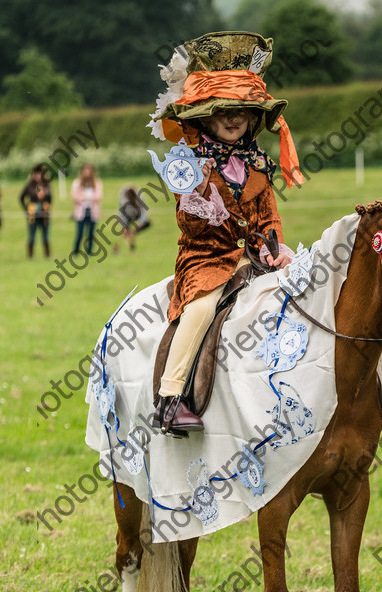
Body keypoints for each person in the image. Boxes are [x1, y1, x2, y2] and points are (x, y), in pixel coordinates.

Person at [148, 31, 303, 434]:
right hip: (207, 260)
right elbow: (189, 226)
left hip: (254, 261)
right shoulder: (190, 165)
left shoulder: (259, 165)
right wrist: (203, 203)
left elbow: (268, 218)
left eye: (242, 110)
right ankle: (169, 400)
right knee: (200, 310)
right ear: (203, 116)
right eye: (223, 110)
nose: (235, 118)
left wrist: (276, 248)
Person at [20, 164, 52, 259]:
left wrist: (46, 206)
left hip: (44, 214)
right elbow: (21, 198)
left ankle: (47, 255)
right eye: (36, 174)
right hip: (33, 214)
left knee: (46, 236)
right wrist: (27, 209)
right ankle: (30, 256)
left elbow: (50, 199)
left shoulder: (46, 186)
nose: (38, 176)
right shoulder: (29, 186)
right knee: (32, 236)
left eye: (40, 174)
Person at [71, 163, 102, 256]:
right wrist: (87, 198)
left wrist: (85, 197)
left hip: (93, 212)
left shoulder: (97, 183)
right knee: (79, 233)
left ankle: (89, 252)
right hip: (81, 212)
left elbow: (98, 196)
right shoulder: (77, 183)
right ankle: (76, 252)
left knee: (91, 234)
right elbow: (75, 196)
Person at [114, 184, 150, 253]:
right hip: (127, 214)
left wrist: (141, 222)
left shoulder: (140, 197)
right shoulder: (123, 199)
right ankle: (129, 246)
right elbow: (122, 213)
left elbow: (143, 210)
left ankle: (131, 241)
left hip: (137, 213)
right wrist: (124, 226)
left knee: (143, 225)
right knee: (126, 232)